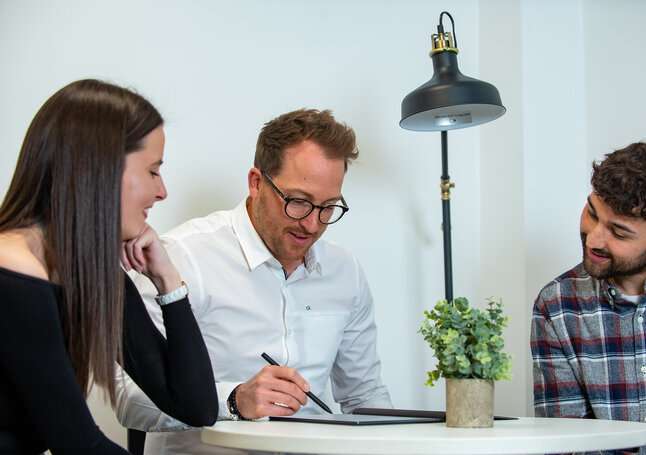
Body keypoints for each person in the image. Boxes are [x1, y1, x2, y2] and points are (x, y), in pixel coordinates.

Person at [116, 108, 392, 454]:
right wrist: (233, 400)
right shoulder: (179, 258)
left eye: (328, 208)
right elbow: (127, 397)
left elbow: (364, 395)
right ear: (257, 183)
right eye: (298, 202)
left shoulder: (344, 270)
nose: (311, 225)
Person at [0, 79, 218, 454]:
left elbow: (194, 407)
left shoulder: (85, 272)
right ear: (100, 168)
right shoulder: (13, 272)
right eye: (152, 171)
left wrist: (168, 280)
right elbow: (78, 444)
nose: (162, 191)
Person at [530, 141, 646, 455]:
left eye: (619, 232)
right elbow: (565, 442)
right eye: (592, 213)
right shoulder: (557, 305)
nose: (595, 238)